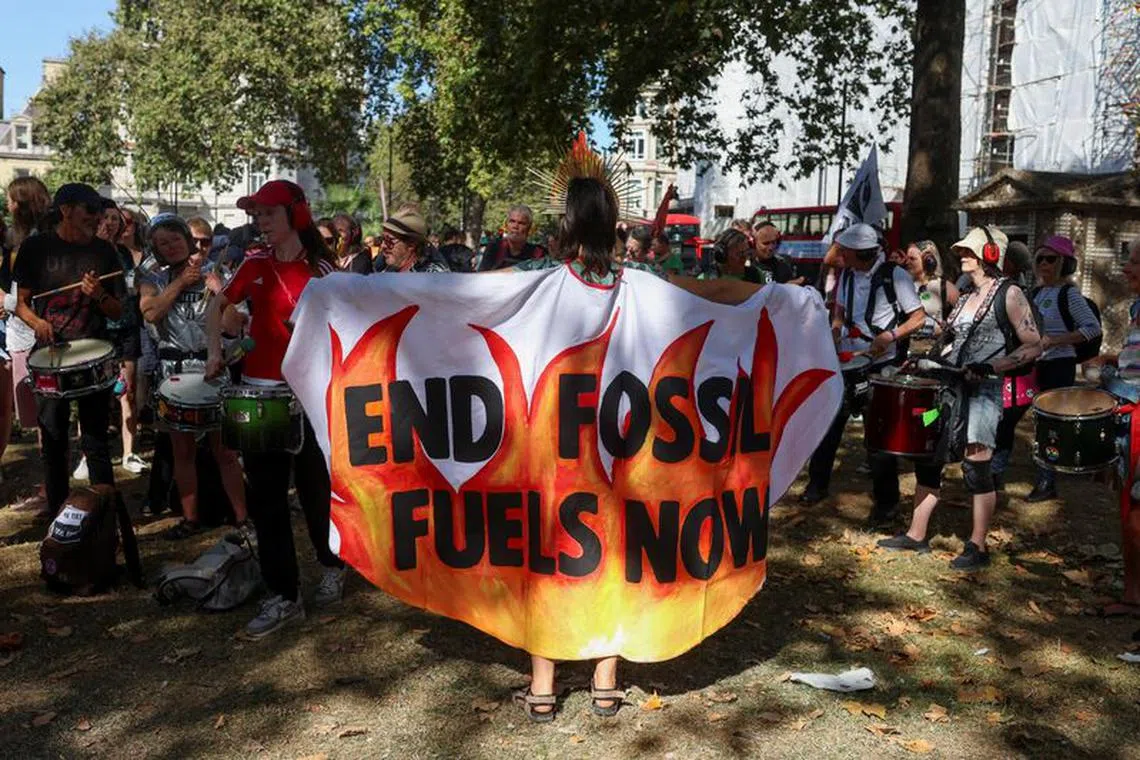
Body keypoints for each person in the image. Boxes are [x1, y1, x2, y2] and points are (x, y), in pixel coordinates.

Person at [510, 175, 768, 722]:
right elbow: (714, 292)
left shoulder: (538, 277)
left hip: (556, 440)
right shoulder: (641, 277)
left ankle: (542, 686)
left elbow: (463, 292)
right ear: (611, 222)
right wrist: (785, 298)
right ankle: (605, 683)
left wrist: (353, 293)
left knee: (548, 552)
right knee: (611, 550)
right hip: (623, 439)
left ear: (566, 223)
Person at [204, 179, 345, 637]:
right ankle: (284, 595)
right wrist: (215, 348)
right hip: (258, 394)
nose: (261, 222)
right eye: (257, 215)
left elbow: (347, 323)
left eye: (269, 214)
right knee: (265, 499)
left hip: (308, 396)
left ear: (295, 215)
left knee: (315, 491)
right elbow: (218, 303)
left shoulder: (322, 269)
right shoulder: (255, 262)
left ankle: (332, 564)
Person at [878, 226, 1042, 570]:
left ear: (990, 255)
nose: (963, 256)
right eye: (963, 251)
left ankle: (977, 546)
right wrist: (924, 358)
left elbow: (1033, 344)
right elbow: (948, 337)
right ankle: (916, 534)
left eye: (970, 251)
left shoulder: (1009, 294)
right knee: (929, 455)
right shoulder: (966, 295)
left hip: (983, 393)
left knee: (976, 464)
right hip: (946, 389)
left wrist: (992, 365)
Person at [798, 223, 925, 522]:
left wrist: (890, 337)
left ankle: (886, 502)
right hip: (848, 361)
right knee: (829, 423)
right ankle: (817, 484)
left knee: (879, 433)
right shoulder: (847, 275)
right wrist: (836, 328)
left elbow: (918, 317)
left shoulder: (895, 275)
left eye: (846, 251)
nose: (840, 254)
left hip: (882, 365)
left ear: (861, 253)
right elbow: (840, 310)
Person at [13, 183, 126, 518]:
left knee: (96, 441)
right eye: (90, 210)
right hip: (49, 356)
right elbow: (21, 304)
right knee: (54, 441)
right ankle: (59, 511)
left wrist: (99, 297)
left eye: (100, 211)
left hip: (93, 352)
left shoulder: (105, 252)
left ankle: (105, 515)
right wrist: (37, 323)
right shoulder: (36, 248)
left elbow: (119, 311)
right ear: (66, 210)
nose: (97, 217)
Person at [140, 213, 249, 538]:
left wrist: (219, 292)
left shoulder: (218, 272)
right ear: (155, 249)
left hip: (213, 370)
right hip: (173, 375)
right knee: (182, 451)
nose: (170, 246)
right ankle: (190, 519)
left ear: (187, 240)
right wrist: (180, 284)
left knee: (226, 452)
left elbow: (232, 326)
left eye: (175, 239)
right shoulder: (150, 278)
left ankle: (243, 518)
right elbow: (151, 312)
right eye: (162, 243)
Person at [1006, 235, 1100, 502]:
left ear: (1065, 264)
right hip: (1033, 364)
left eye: (1051, 259)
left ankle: (1046, 482)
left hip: (1059, 364)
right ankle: (996, 472)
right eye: (1040, 258)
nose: (1044, 263)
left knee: (1050, 424)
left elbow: (1092, 328)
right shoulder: (1034, 292)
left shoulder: (1069, 294)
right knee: (1011, 415)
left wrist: (1054, 340)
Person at [1100, 238, 1140, 620]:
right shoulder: (1137, 307)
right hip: (1130, 419)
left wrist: (1109, 383)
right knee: (1128, 508)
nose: (1126, 269)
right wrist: (1116, 360)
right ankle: (1132, 593)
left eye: (1134, 263)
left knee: (1136, 512)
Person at [4, 178, 50, 498]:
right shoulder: (19, 240)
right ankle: (51, 486)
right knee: (41, 421)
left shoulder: (36, 242)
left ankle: (52, 489)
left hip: (35, 335)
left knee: (47, 420)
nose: (7, 206)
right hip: (23, 335)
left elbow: (28, 296)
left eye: (10, 200)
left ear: (21, 204)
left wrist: (3, 300)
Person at [95, 199, 148, 475]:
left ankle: (130, 452)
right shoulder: (90, 251)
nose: (111, 223)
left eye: (116, 218)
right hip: (98, 331)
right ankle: (90, 453)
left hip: (127, 327)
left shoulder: (126, 254)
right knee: (96, 396)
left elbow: (132, 287)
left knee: (127, 392)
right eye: (106, 217)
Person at [904, 240, 959, 338]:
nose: (907, 262)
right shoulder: (904, 286)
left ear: (928, 261)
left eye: (912, 259)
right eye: (907, 258)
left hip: (934, 347)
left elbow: (962, 314)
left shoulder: (944, 286)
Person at [477, 205, 546, 270]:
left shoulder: (537, 254)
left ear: (529, 228)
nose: (515, 226)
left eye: (521, 223)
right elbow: (482, 276)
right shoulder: (495, 247)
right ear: (506, 225)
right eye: (512, 221)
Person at [378, 209, 450, 272]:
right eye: (382, 239)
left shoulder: (433, 277)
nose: (383, 246)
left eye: (389, 240)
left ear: (411, 244)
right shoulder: (389, 270)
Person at [699, 228, 765, 283]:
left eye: (746, 252)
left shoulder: (756, 275)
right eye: (738, 254)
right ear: (722, 255)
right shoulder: (707, 279)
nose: (744, 257)